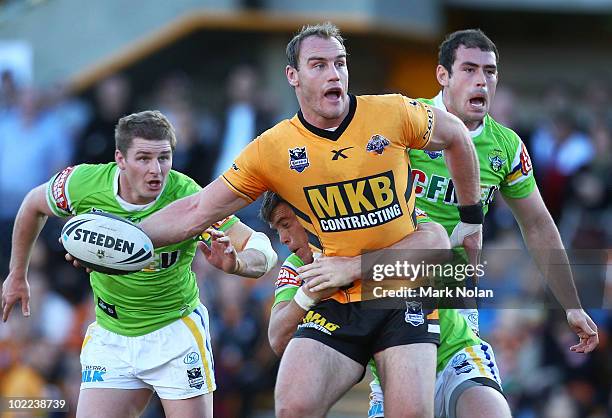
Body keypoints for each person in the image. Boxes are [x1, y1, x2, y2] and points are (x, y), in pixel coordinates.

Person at [139, 22, 484, 417]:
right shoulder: (273, 148)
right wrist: (127, 237)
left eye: (339, 63)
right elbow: (196, 210)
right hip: (336, 298)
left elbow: (457, 135)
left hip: (401, 289)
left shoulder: (391, 112)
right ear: (293, 76)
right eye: (318, 65)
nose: (334, 73)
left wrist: (471, 218)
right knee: (293, 408)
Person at [296, 29, 599, 418]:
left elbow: (538, 224)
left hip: (457, 296)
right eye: (469, 70)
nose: (481, 81)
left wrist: (570, 305)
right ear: (442, 75)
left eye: (490, 72)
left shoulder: (506, 146)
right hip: (394, 295)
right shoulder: (404, 123)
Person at [1, 110, 278, 418]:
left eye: (164, 157)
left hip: (174, 333)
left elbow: (263, 249)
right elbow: (31, 205)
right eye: (143, 158)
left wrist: (237, 264)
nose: (156, 170)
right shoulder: (84, 183)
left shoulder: (188, 196)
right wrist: (16, 274)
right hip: (112, 334)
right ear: (120, 158)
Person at [260, 191, 505, 418]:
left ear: (307, 212)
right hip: (392, 377)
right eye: (276, 229)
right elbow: (278, 338)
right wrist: (309, 293)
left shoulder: (371, 220)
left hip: (452, 353)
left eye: (285, 224)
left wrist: (353, 268)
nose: (282, 239)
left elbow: (437, 242)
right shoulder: (297, 268)